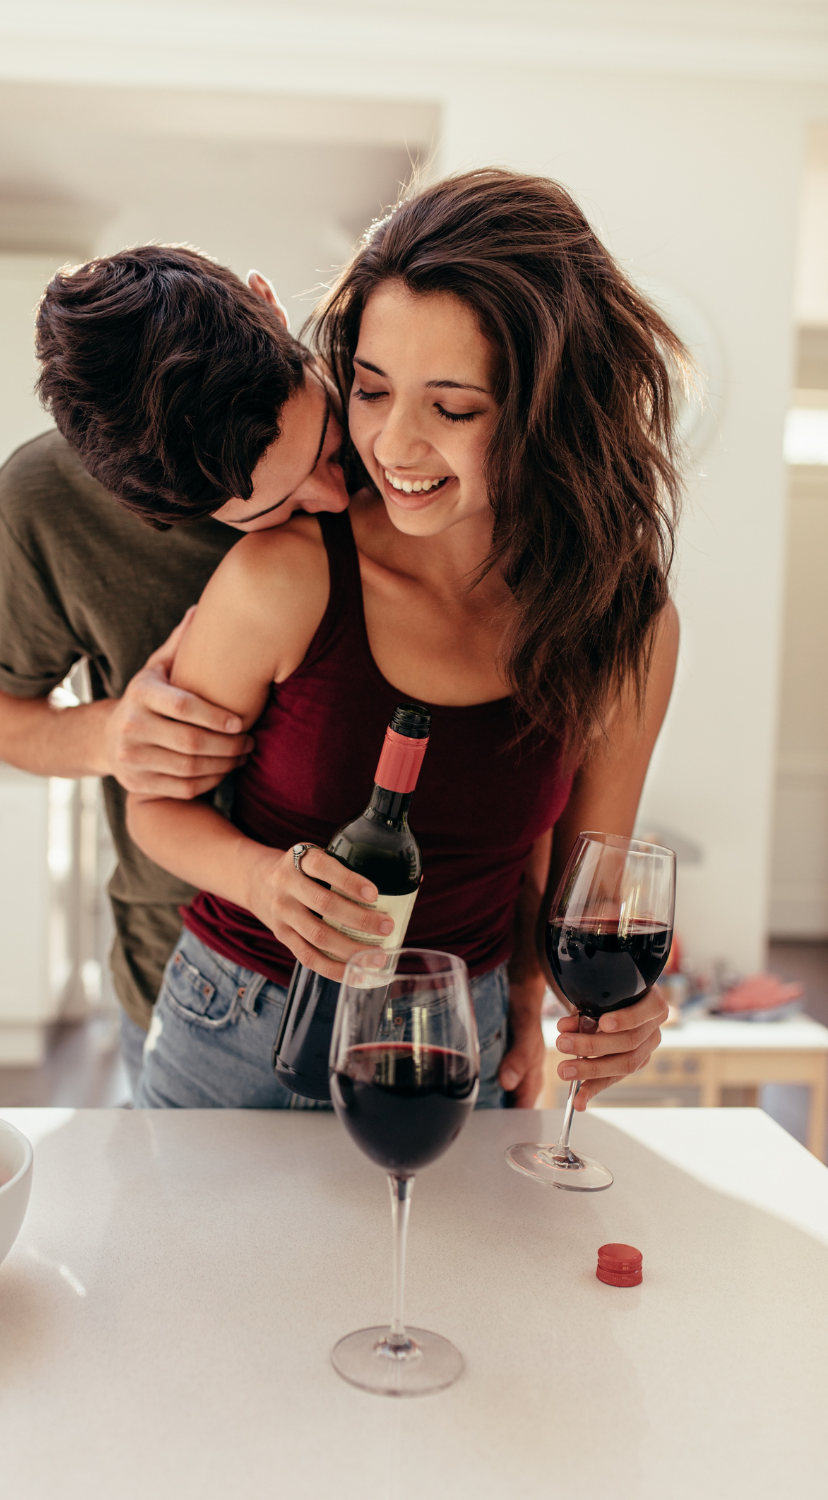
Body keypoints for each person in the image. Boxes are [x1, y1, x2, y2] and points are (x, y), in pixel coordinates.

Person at [126, 168, 682, 1113]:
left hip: (449, 1034)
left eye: (454, 408)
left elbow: (588, 884)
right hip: (240, 1025)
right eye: (373, 390)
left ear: (552, 414)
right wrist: (266, 880)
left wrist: (596, 1006)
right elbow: (153, 809)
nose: (392, 446)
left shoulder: (623, 622)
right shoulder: (289, 574)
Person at [0, 245, 350, 1092]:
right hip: (179, 969)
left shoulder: (387, 404)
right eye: (275, 510)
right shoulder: (42, 503)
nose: (336, 498)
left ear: (270, 305)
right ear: (146, 507)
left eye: (325, 446)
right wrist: (112, 736)